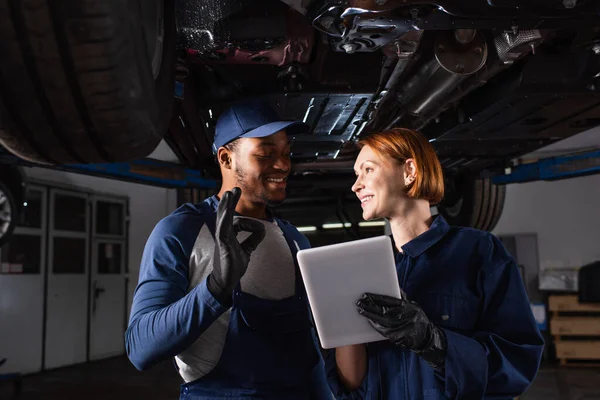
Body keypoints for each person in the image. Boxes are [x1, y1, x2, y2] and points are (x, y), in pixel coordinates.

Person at [125, 98, 331, 399]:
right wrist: (215, 290)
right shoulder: (181, 231)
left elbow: (310, 346)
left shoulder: (294, 239)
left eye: (287, 153)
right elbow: (140, 348)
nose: (284, 164)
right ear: (226, 159)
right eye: (266, 154)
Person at [325, 128, 544, 399]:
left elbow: (517, 361)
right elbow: (352, 383)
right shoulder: (364, 268)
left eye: (368, 170)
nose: (356, 185)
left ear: (409, 171)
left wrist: (433, 342)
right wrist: (341, 324)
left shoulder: (478, 251)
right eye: (356, 175)